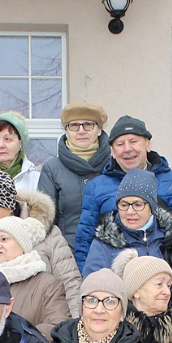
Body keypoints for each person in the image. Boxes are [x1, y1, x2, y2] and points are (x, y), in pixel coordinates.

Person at [74, 116, 172, 278]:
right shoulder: (96, 187)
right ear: (113, 152)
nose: (127, 149)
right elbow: (84, 241)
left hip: (166, 284)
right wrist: (92, 284)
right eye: (120, 144)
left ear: (148, 145)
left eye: (134, 141)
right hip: (117, 283)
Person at [0, 170, 81, 317]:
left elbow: (70, 284)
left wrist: (72, 326)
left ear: (9, 206)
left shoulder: (47, 235)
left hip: (41, 324)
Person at [83, 168, 172, 301]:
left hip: (168, 312)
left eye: (138, 205)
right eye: (124, 205)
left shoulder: (169, 237)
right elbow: (92, 295)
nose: (130, 211)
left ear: (151, 207)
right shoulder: (103, 243)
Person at [0, 216, 70, 339]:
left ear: (22, 244)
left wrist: (16, 340)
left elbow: (57, 325)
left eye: (4, 239)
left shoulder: (48, 284)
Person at [38, 103, 112, 240]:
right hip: (65, 250)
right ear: (66, 131)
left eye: (88, 124)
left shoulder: (114, 166)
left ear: (99, 130)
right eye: (74, 125)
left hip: (108, 249)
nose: (81, 131)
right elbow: (43, 223)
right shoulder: (52, 169)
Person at [115, 250, 172, 343]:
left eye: (169, 286)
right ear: (136, 292)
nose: (167, 292)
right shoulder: (116, 333)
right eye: (159, 284)